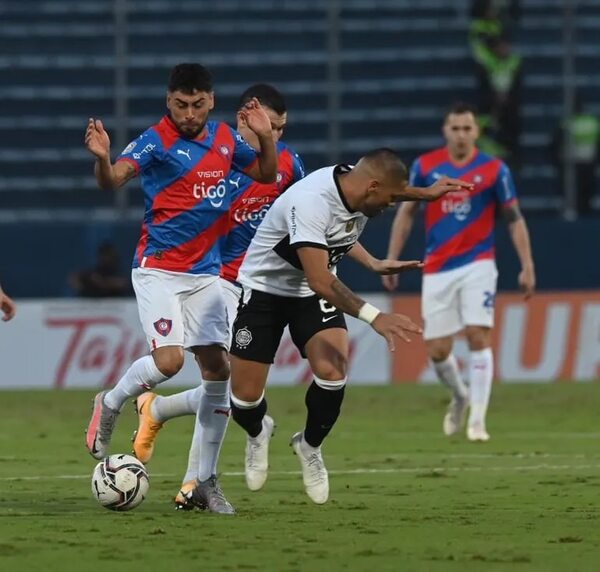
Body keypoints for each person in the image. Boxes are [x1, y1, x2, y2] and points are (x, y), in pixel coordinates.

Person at [84, 63, 277, 514]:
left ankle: (205, 482)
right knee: (169, 361)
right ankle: (110, 401)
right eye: (180, 104)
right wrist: (101, 159)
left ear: (210, 101)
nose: (188, 113)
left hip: (206, 274)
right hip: (158, 269)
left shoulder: (227, 139)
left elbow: (267, 176)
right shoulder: (155, 140)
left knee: (218, 369)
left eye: (197, 104)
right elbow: (113, 179)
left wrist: (266, 137)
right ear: (168, 101)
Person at [228, 148, 471, 504]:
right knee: (244, 401)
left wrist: (424, 193)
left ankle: (309, 446)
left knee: (333, 372)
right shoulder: (311, 201)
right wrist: (376, 316)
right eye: (388, 200)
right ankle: (258, 430)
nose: (389, 207)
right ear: (372, 187)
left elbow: (382, 192)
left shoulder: (358, 185)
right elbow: (320, 279)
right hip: (266, 291)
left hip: (309, 297)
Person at [129, 83, 305, 509]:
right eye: (268, 125)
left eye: (280, 128)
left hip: (258, 285)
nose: (275, 136)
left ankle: (159, 415)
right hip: (214, 278)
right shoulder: (216, 158)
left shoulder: (288, 166)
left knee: (226, 386)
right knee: (225, 379)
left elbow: (305, 223)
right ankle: (198, 484)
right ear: (245, 117)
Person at [382, 103, 535, 442]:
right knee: (437, 350)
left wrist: (527, 265)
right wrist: (392, 257)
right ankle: (460, 396)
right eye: (456, 128)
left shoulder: (494, 170)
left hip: (479, 263)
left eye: (468, 128)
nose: (462, 134)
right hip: (437, 267)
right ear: (445, 131)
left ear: (476, 132)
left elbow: (514, 218)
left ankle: (478, 421)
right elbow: (406, 214)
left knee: (479, 335)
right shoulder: (426, 167)